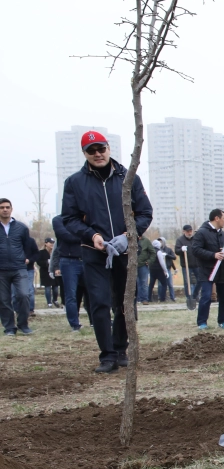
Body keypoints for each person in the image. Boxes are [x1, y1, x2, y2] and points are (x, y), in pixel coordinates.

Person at [61, 131, 153, 370]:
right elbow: (69, 218)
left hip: (125, 251)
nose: (97, 154)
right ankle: (107, 355)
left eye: (101, 148)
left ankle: (121, 348)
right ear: (85, 154)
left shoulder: (128, 176)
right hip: (94, 251)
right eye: (91, 150)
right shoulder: (74, 183)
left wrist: (128, 237)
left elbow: (145, 213)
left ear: (109, 148)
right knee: (100, 303)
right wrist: (93, 236)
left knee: (125, 302)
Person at [0, 198, 37, 336]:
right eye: (2, 207)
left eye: (7, 207)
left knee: (24, 295)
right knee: (3, 300)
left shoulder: (21, 227)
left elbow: (29, 245)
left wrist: (26, 258)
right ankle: (9, 327)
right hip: (1, 269)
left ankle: (23, 324)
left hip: (19, 268)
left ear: (11, 209)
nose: (5, 209)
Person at [190, 209, 224, 329]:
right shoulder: (201, 233)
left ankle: (223, 320)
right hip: (207, 270)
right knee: (206, 296)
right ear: (216, 218)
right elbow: (196, 249)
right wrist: (213, 255)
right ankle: (202, 322)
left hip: (223, 271)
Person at [51, 214, 86, 330]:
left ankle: (96, 322)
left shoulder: (86, 217)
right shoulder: (58, 220)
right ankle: (75, 324)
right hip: (69, 261)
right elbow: (65, 236)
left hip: (87, 259)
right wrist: (86, 237)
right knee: (71, 295)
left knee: (94, 293)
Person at [174, 225, 199, 301]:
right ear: (184, 231)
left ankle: (196, 295)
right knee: (187, 282)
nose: (189, 233)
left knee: (200, 280)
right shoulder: (180, 240)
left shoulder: (196, 239)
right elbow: (176, 251)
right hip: (186, 265)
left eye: (190, 231)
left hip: (197, 264)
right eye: (188, 231)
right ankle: (189, 297)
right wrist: (181, 249)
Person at [36, 238, 59, 307]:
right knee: (47, 288)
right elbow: (39, 262)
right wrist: (47, 262)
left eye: (53, 243)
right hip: (45, 273)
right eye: (50, 243)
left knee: (55, 288)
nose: (52, 244)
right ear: (46, 243)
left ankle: (55, 299)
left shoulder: (55, 252)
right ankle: (49, 302)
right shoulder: (41, 252)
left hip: (54, 272)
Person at [136, 235, 154, 304]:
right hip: (133, 266)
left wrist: (149, 261)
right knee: (135, 283)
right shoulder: (130, 239)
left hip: (143, 265)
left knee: (144, 283)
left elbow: (153, 252)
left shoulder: (146, 241)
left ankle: (145, 299)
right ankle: (137, 299)